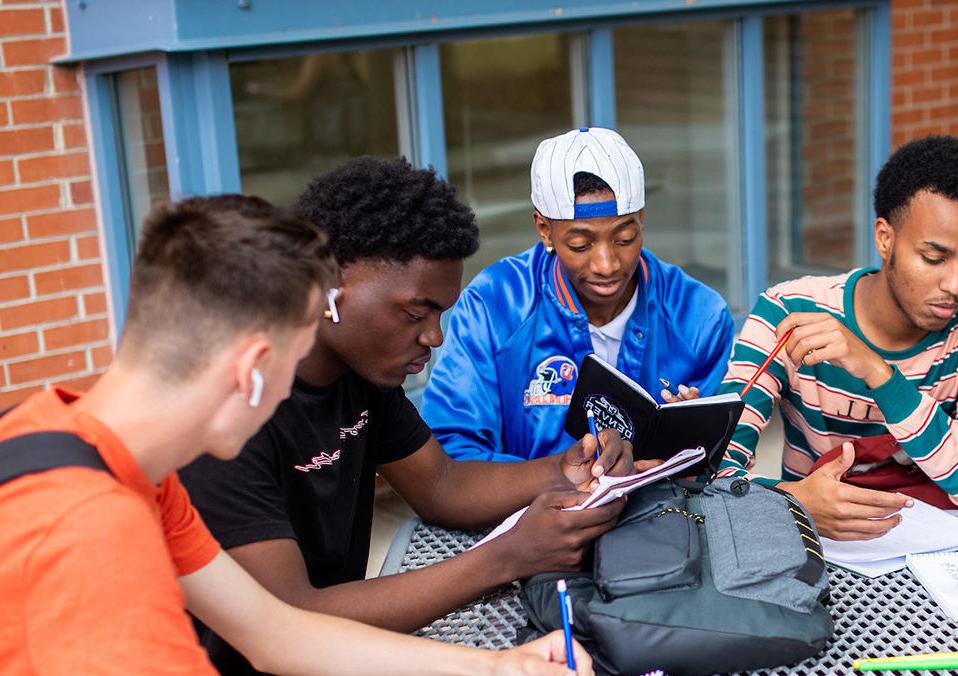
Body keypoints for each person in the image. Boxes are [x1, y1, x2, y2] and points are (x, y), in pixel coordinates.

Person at [0, 196, 589, 674]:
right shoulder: (86, 536)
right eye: (293, 357)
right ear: (251, 367)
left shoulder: (126, 469)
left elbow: (274, 632)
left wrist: (497, 668)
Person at [179, 159, 630, 674]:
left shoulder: (362, 375)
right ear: (327, 287)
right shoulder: (229, 413)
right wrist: (508, 555)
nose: (434, 338)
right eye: (416, 314)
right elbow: (288, 619)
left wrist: (565, 469)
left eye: (441, 313)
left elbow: (441, 483)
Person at [707, 135, 958, 540]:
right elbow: (716, 468)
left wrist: (878, 372)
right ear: (884, 238)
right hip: (819, 543)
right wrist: (793, 502)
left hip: (947, 546)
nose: (955, 283)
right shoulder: (788, 311)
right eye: (934, 258)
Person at [422, 127, 733, 462]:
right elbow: (452, 450)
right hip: (527, 510)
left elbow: (721, 457)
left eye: (625, 238)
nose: (606, 264)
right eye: (580, 245)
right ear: (545, 230)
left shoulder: (700, 317)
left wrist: (687, 446)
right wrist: (561, 483)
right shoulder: (495, 305)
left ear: (641, 220)